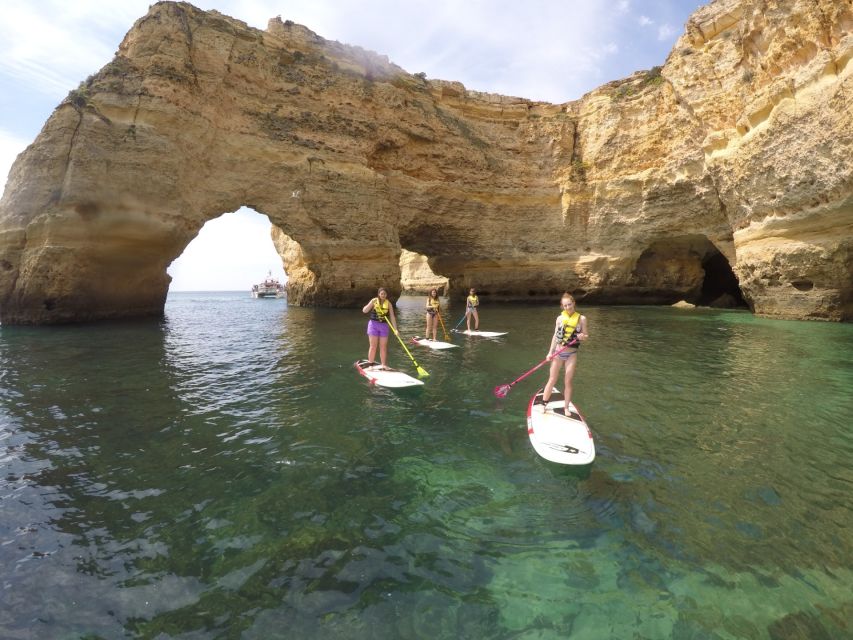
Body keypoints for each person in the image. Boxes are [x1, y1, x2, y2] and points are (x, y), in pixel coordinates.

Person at [542, 293, 589, 410]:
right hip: (558, 353)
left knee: (568, 381)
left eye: (569, 304)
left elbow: (586, 335)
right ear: (562, 306)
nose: (568, 307)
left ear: (574, 303)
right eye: (565, 305)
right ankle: (544, 404)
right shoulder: (559, 318)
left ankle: (566, 407)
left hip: (571, 355)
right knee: (552, 379)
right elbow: (555, 336)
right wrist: (550, 353)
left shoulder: (582, 319)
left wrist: (582, 336)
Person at [362, 287, 398, 368]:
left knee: (383, 347)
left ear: (386, 295)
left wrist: (395, 330)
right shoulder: (374, 301)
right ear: (379, 294)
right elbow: (364, 310)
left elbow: (392, 317)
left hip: (384, 326)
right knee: (373, 346)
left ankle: (383, 365)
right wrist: (371, 303)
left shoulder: (388, 304)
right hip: (373, 325)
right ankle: (370, 364)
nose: (383, 295)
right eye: (382, 294)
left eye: (385, 294)